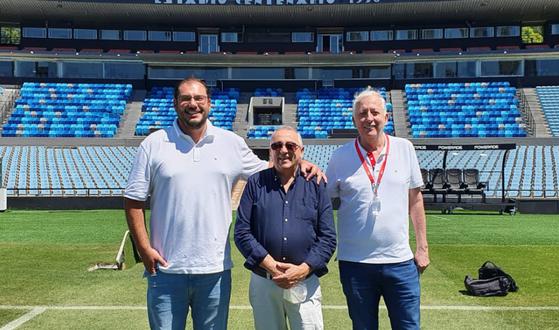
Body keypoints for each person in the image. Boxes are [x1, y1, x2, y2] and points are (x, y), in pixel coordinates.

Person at [124, 78, 323, 330]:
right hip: (166, 269)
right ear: (175, 103)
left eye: (198, 99)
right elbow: (133, 200)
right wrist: (143, 247)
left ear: (209, 104)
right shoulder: (153, 144)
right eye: (186, 98)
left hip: (214, 269)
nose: (192, 104)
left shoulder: (230, 142)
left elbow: (269, 169)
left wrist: (301, 163)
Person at [326, 88, 430, 330]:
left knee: (408, 327)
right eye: (362, 113)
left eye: (375, 112)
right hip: (355, 263)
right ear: (354, 120)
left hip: (400, 262)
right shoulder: (340, 157)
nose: (369, 118)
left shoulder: (404, 148)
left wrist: (422, 248)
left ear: (386, 117)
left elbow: (415, 200)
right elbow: (325, 204)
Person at [234, 126, 336, 330]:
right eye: (277, 145)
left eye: (290, 145)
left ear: (301, 150)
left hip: (304, 280)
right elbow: (242, 232)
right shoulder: (256, 183)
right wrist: (271, 265)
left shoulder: (316, 184)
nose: (283, 150)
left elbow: (327, 238)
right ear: (270, 150)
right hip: (264, 280)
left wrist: (303, 269)